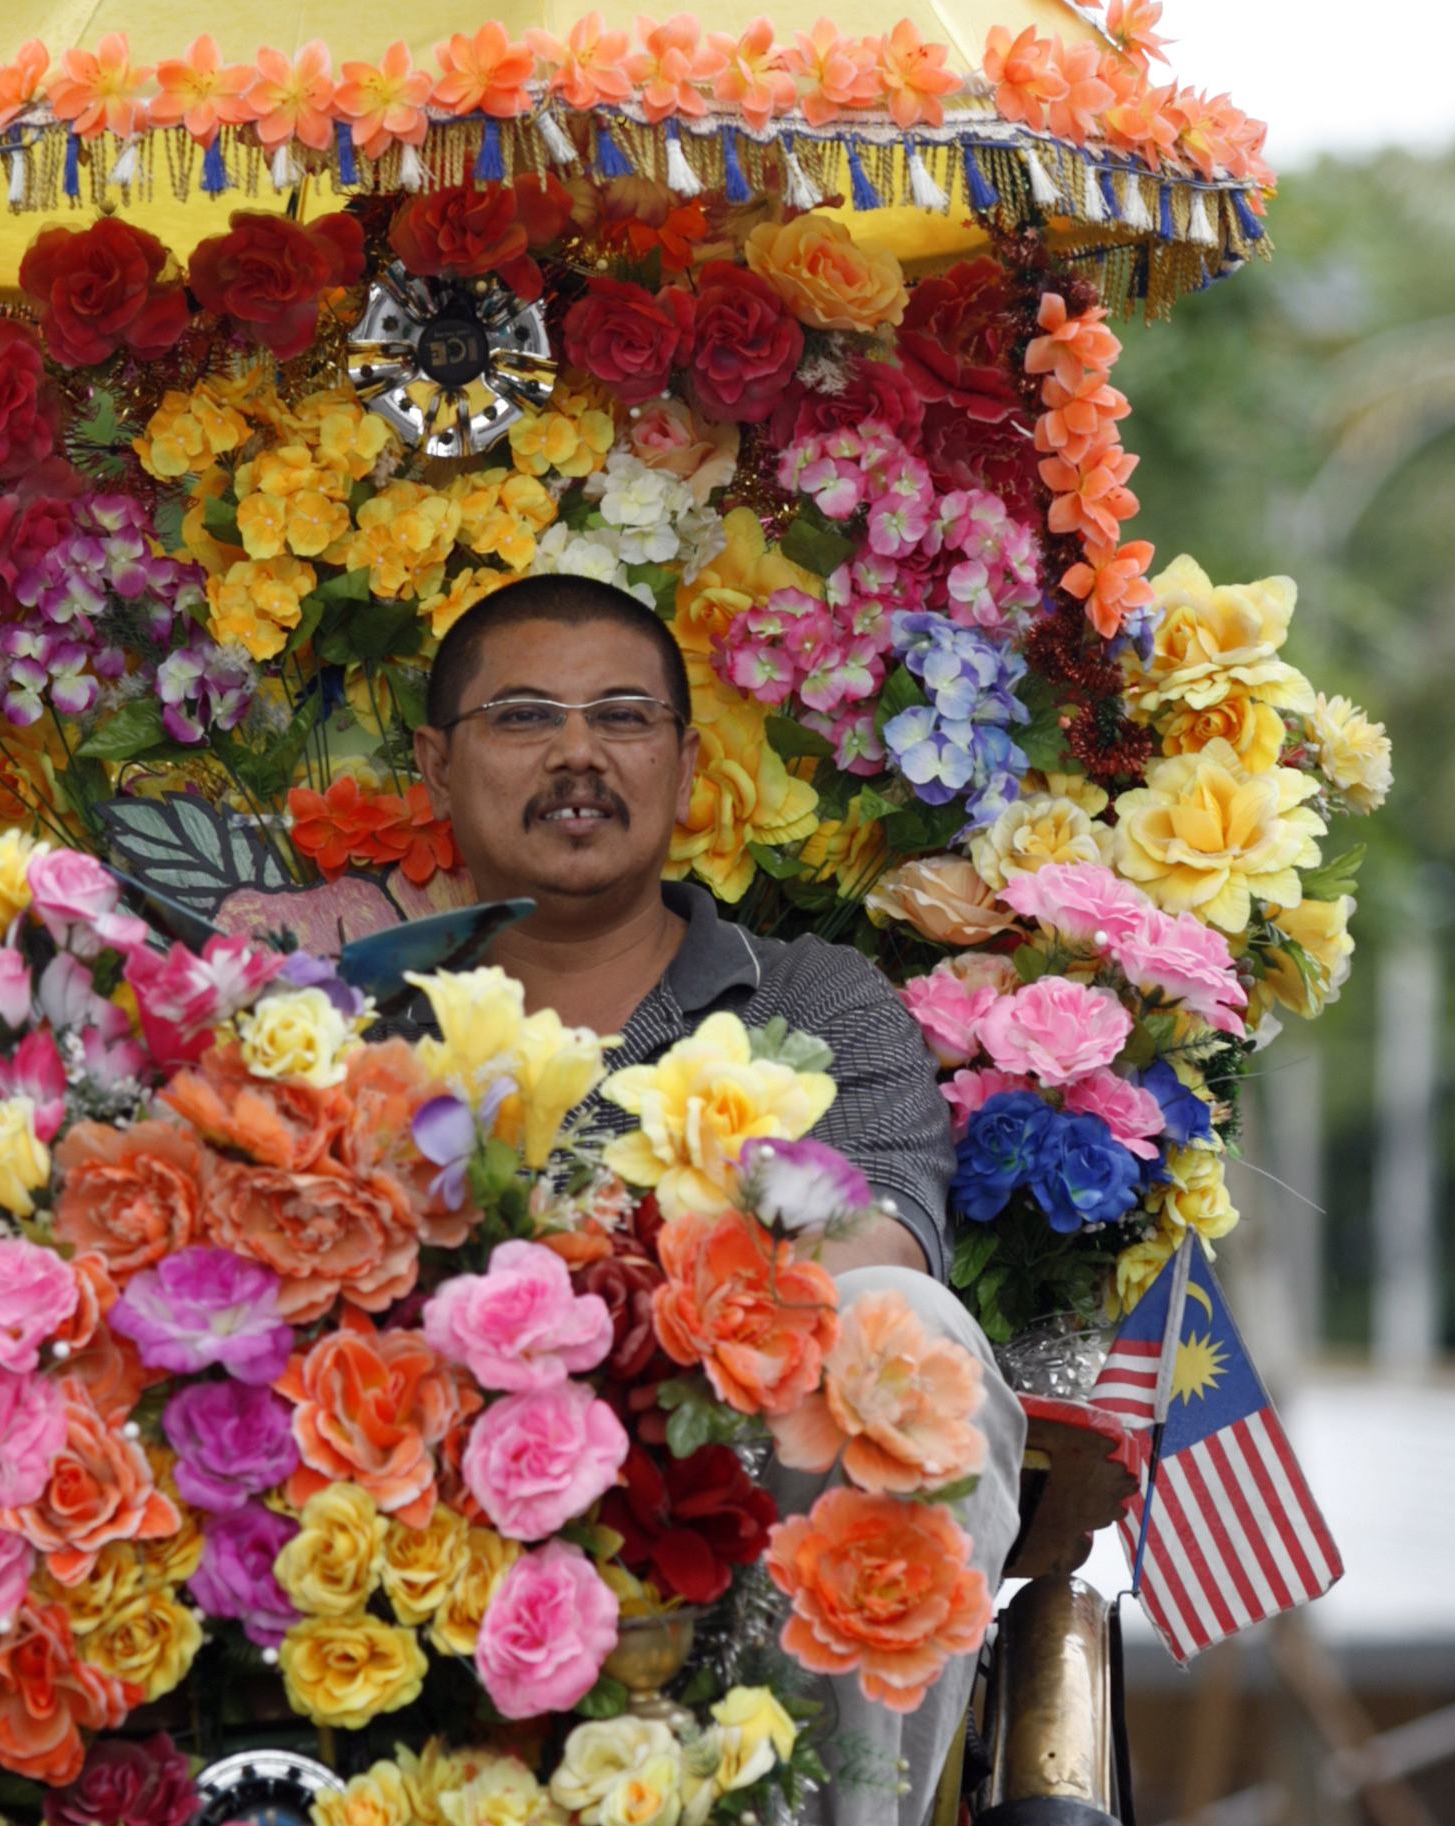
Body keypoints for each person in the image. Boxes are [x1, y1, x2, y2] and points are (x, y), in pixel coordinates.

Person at [412, 575, 1023, 1826]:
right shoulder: (365, 1015)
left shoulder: (814, 999)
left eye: (624, 717)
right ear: (435, 765)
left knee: (896, 1330)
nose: (579, 753)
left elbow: (885, 1236)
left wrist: (624, 1317)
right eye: (526, 716)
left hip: (733, 1494)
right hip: (436, 1504)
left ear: (687, 766)